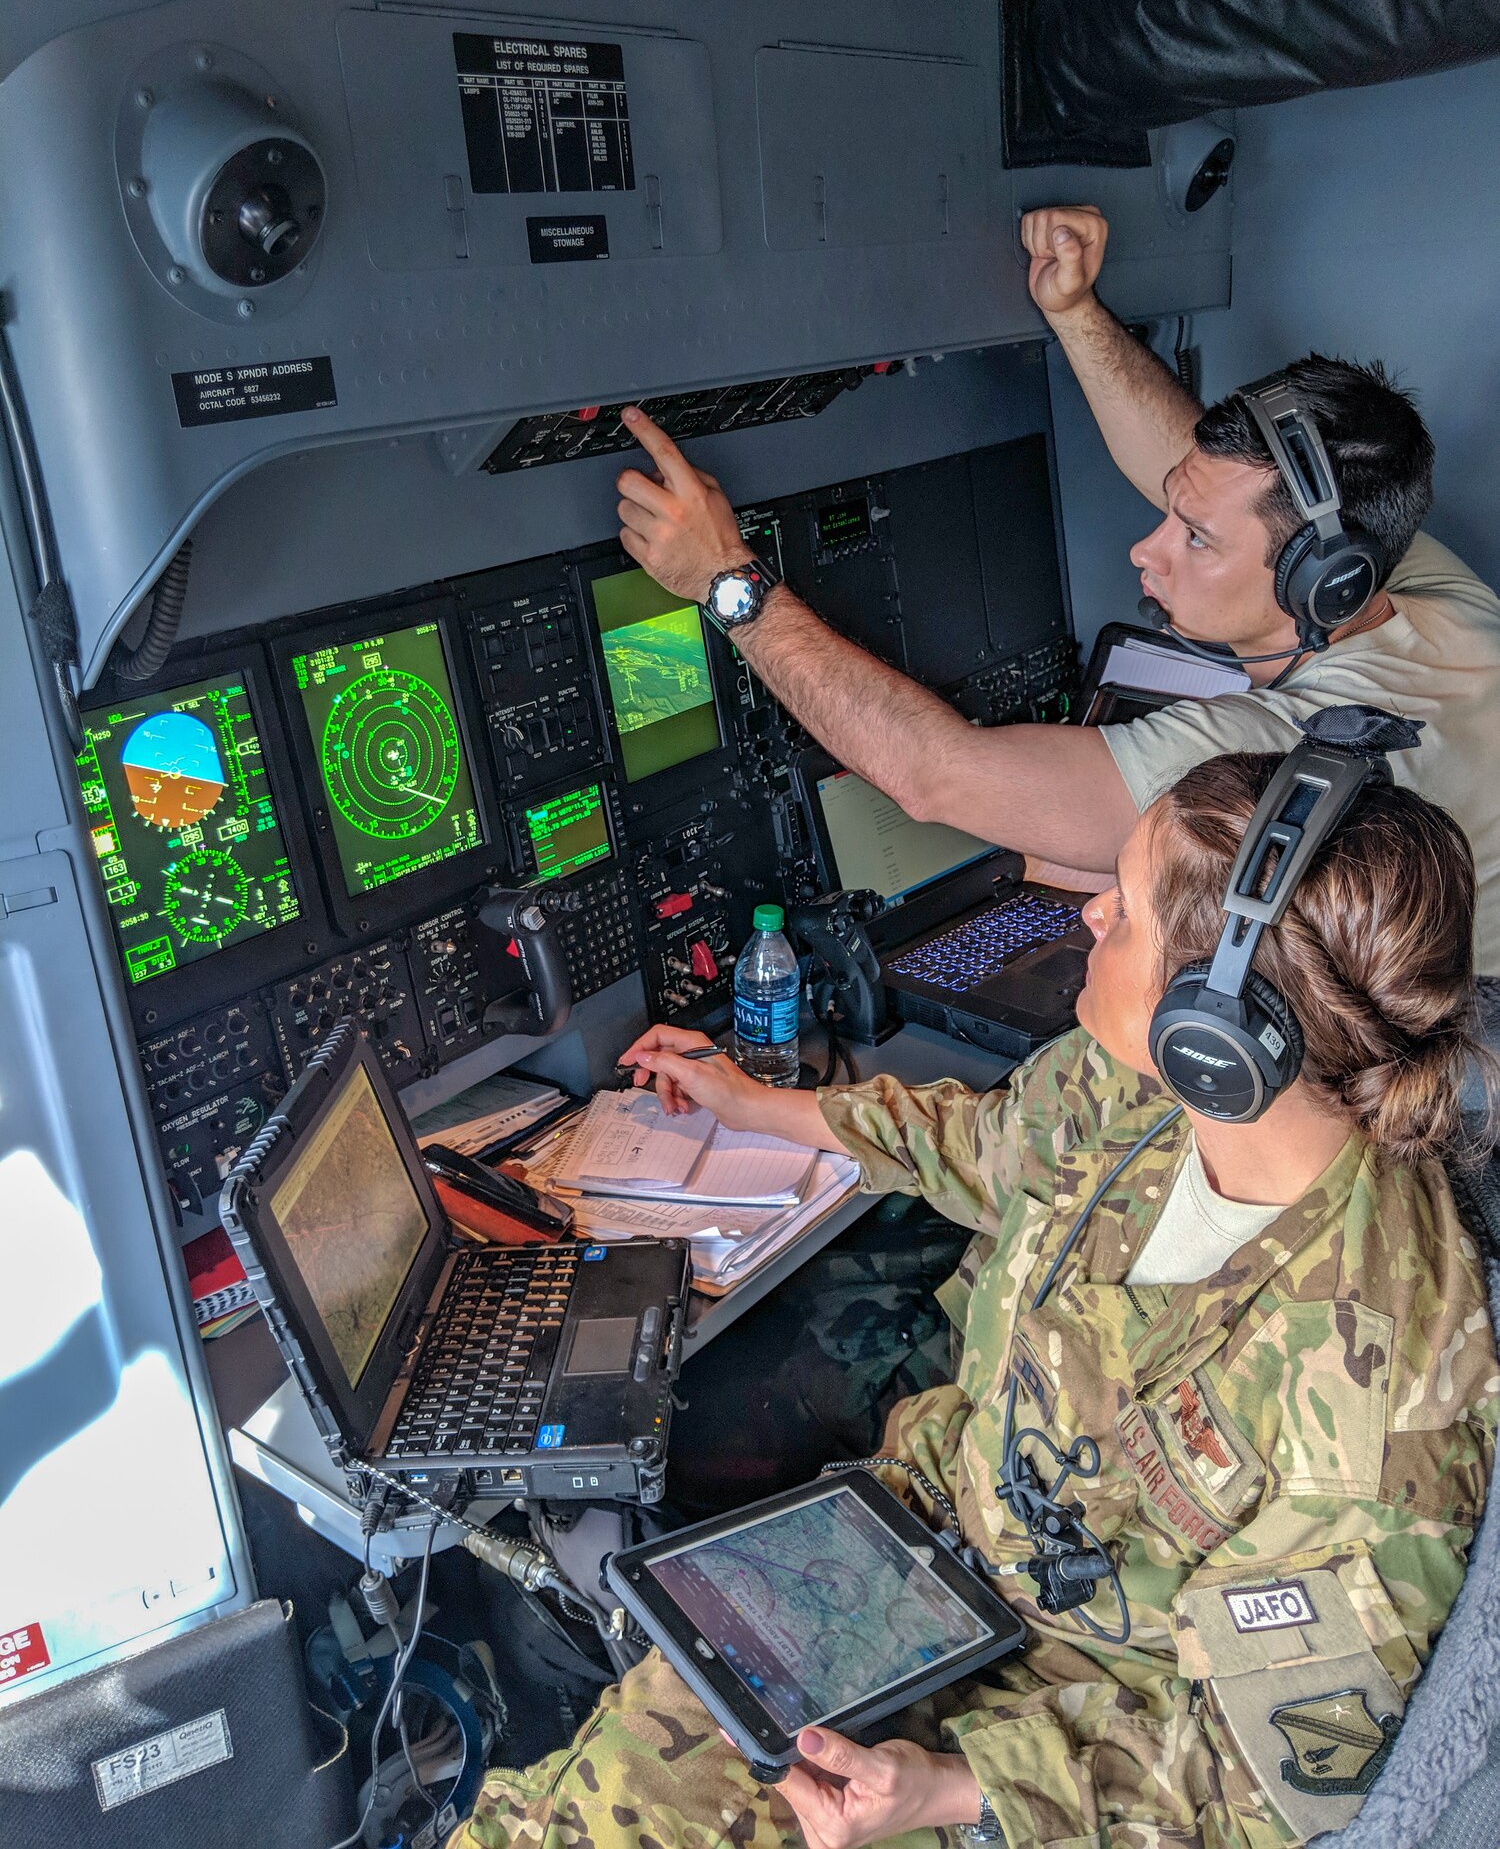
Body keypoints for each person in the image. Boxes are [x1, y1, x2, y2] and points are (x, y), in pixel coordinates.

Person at [448, 743, 1499, 1849]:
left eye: (1127, 910)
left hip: (1063, 1724)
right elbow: (994, 1142)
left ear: (1223, 1027)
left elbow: (1259, 1779)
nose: (1090, 912)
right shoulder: (1133, 1085)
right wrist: (761, 1107)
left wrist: (956, 1789)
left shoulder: (1391, 1394)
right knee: (583, 1801)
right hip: (913, 1530)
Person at [603, 207, 1500, 970]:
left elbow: (934, 777)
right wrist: (1073, 311)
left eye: (1193, 540)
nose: (1146, 552)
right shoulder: (1432, 601)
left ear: (1323, 585)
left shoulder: (1277, 753)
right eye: (1173, 514)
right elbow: (1198, 475)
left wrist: (729, 582)